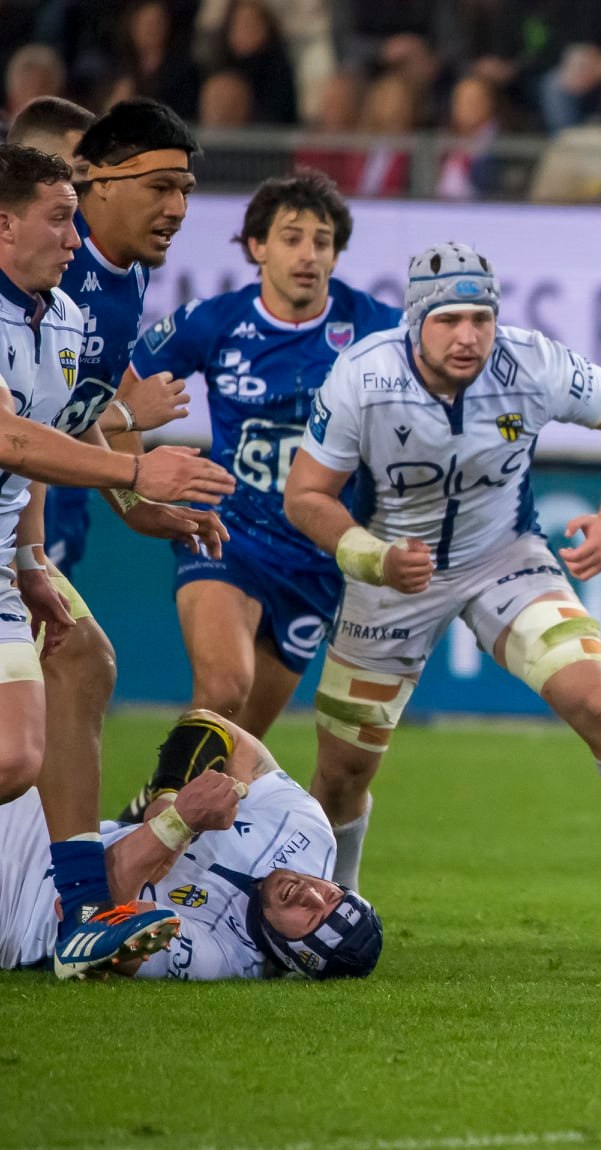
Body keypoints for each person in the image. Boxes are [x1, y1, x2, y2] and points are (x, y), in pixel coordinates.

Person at [282, 242, 601, 932]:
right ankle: (342, 904)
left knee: (593, 697)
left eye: (481, 317)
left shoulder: (532, 362)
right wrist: (373, 557)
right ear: (415, 320)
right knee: (343, 773)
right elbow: (306, 497)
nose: (469, 336)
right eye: (449, 320)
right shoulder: (362, 377)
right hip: (392, 573)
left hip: (504, 557)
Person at [0, 142, 232, 979]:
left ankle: (82, 918)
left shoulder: (61, 315)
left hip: (2, 557)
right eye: (60, 218)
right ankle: (81, 908)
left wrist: (31, 557)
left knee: (71, 674)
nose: (73, 236)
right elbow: (9, 435)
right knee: (21, 744)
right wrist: (136, 468)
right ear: (5, 223)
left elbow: (43, 446)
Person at [108, 175, 399, 830]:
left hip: (315, 561)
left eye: (323, 242)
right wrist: (137, 500)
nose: (309, 255)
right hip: (225, 533)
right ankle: (143, 847)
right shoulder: (215, 322)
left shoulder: (376, 328)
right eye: (292, 238)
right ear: (256, 247)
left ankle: (144, 818)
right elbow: (118, 407)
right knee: (224, 688)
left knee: (234, 748)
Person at [0, 709, 383, 981]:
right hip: (39, 817)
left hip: (16, 908)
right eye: (332, 896)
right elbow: (214, 727)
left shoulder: (216, 958)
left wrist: (176, 826)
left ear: (292, 958)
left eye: (313, 920)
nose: (311, 895)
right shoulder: (307, 832)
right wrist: (169, 796)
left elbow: (87, 921)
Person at [37, 98, 201, 582]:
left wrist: (137, 506)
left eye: (185, 190)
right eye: (160, 188)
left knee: (87, 659)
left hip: (27, 506)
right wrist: (128, 418)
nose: (178, 209)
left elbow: (81, 400)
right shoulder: (41, 263)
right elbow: (19, 424)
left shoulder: (132, 268)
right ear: (100, 182)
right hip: (26, 489)